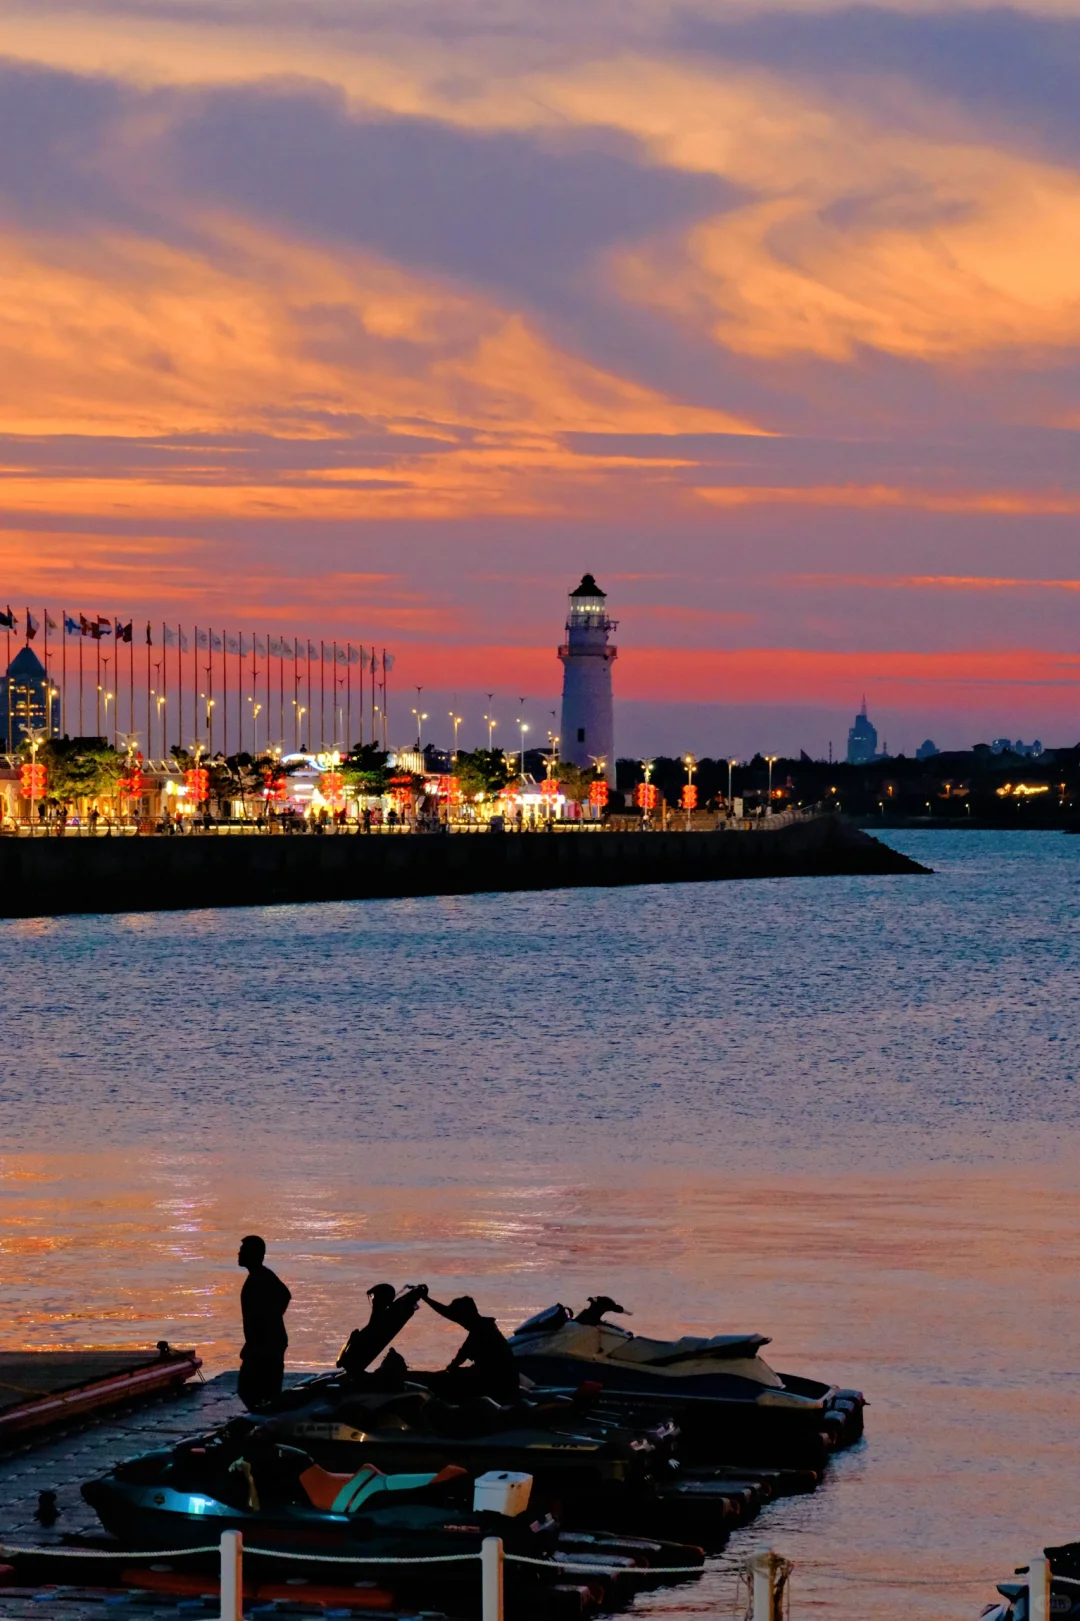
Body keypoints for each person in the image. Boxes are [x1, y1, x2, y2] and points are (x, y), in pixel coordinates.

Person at [422, 1294, 519, 1403]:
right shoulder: (484, 1326)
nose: (460, 1323)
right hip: (501, 1379)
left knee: (441, 1381)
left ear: (465, 1316)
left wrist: (451, 1368)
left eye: (459, 1319)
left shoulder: (481, 1331)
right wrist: (426, 1299)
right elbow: (448, 1313)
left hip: (497, 1383)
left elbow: (461, 1355)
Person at [237, 1234, 291, 1410]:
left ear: (253, 1254)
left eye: (243, 1251)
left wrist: (271, 1322)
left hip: (266, 1345)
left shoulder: (260, 1277)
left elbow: (284, 1296)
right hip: (264, 1342)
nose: (238, 1254)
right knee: (256, 1391)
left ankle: (265, 1424)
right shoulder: (259, 1276)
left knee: (255, 1390)